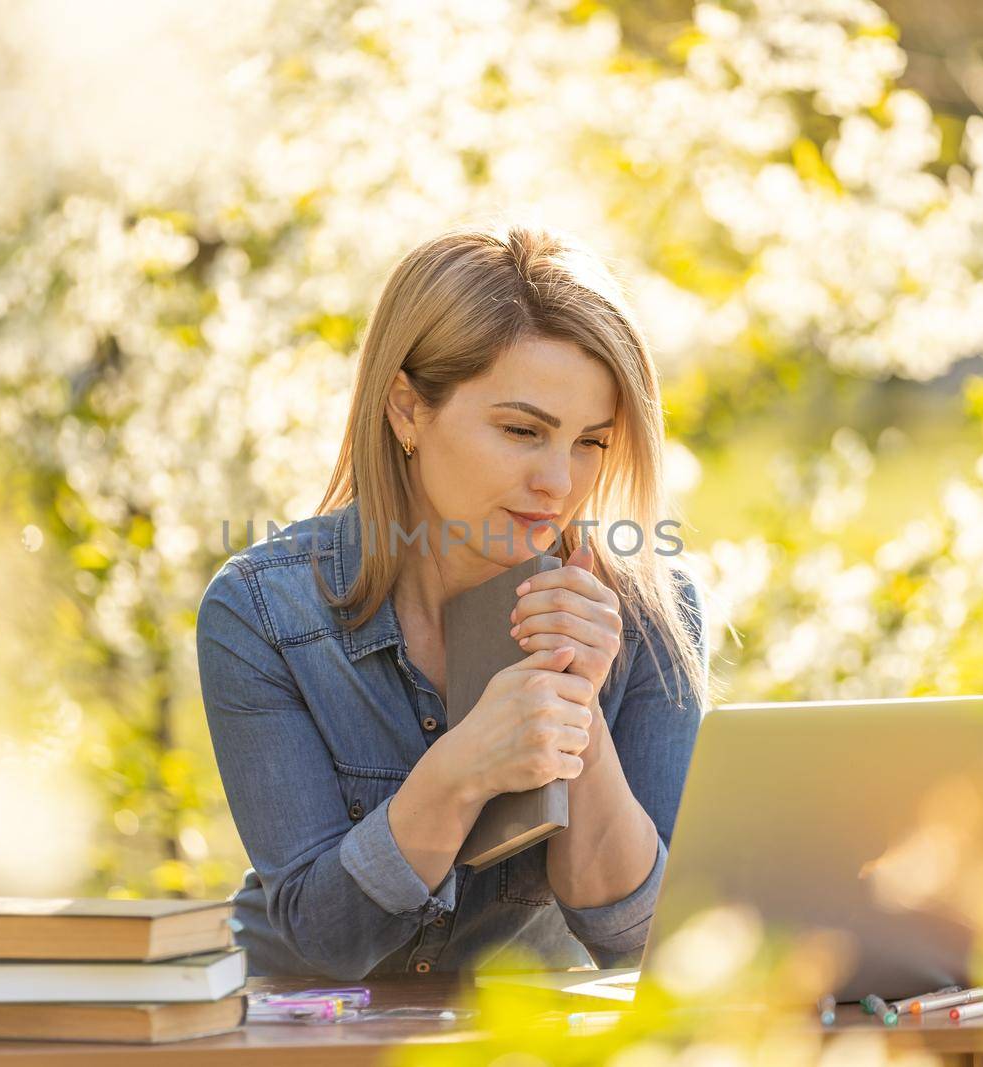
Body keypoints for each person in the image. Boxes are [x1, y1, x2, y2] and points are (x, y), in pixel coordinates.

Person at [195, 219, 710, 980]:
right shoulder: (264, 612)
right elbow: (321, 937)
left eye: (590, 442)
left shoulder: (650, 612)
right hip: (301, 1038)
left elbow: (644, 945)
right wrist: (462, 769)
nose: (559, 484)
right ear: (407, 408)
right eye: (521, 430)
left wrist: (579, 716)